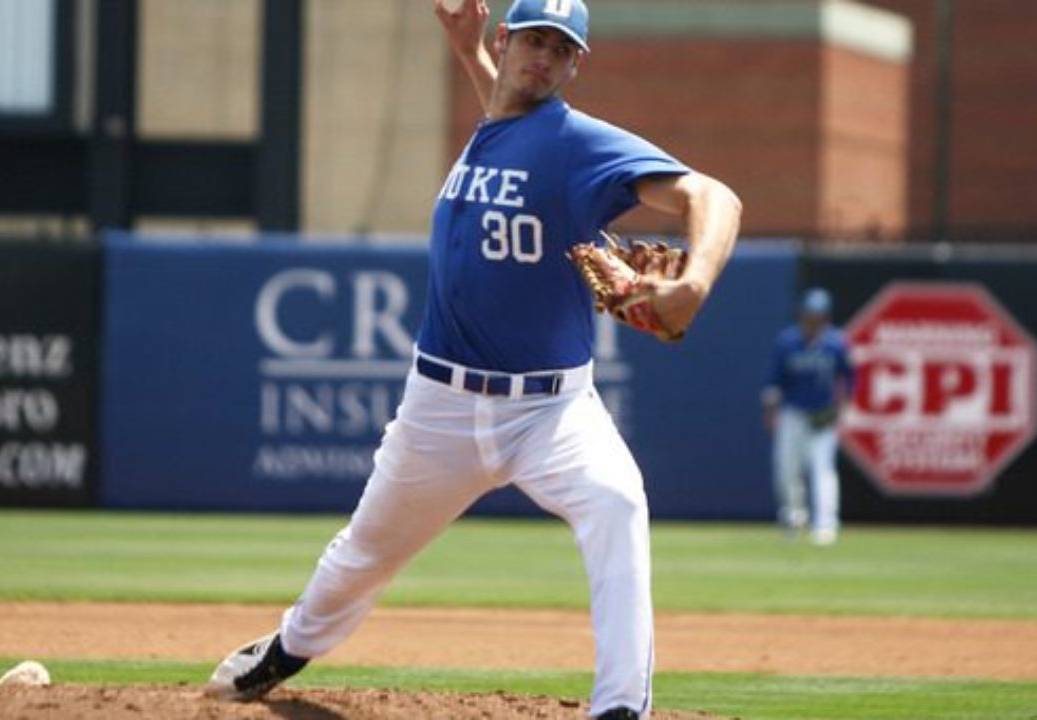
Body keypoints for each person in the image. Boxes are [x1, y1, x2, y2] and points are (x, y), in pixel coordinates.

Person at [206, 1, 742, 717]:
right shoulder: (497, 127)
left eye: (560, 48)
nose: (543, 57)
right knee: (361, 555)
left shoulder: (579, 144)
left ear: (576, 64)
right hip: (441, 408)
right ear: (504, 40)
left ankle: (619, 707)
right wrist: (467, 51)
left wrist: (695, 282)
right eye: (532, 41)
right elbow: (506, 109)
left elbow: (713, 195)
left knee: (616, 503)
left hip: (552, 410)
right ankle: (286, 649)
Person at [761, 288, 854, 546]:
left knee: (822, 470)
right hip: (792, 413)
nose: (813, 320)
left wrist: (842, 410)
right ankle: (792, 517)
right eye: (809, 314)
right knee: (786, 470)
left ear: (825, 317)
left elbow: (848, 378)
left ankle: (825, 524)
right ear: (802, 314)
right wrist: (770, 410)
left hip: (822, 416)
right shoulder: (787, 342)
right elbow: (774, 380)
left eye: (818, 315)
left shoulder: (836, 343)